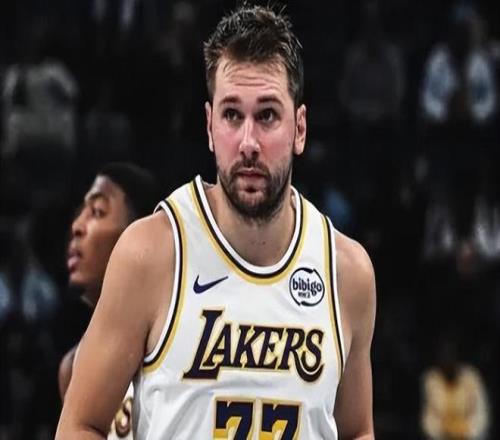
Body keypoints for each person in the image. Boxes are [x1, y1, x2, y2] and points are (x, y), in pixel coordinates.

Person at [56, 5, 376, 439]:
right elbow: (79, 425)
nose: (248, 142)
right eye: (232, 115)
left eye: (267, 115)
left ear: (299, 129)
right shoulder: (152, 253)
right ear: (209, 127)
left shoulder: (347, 273)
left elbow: (357, 431)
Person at [58, 162, 159, 439]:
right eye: (80, 214)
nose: (77, 227)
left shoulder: (178, 334)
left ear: (138, 232)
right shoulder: (72, 367)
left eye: (98, 212)